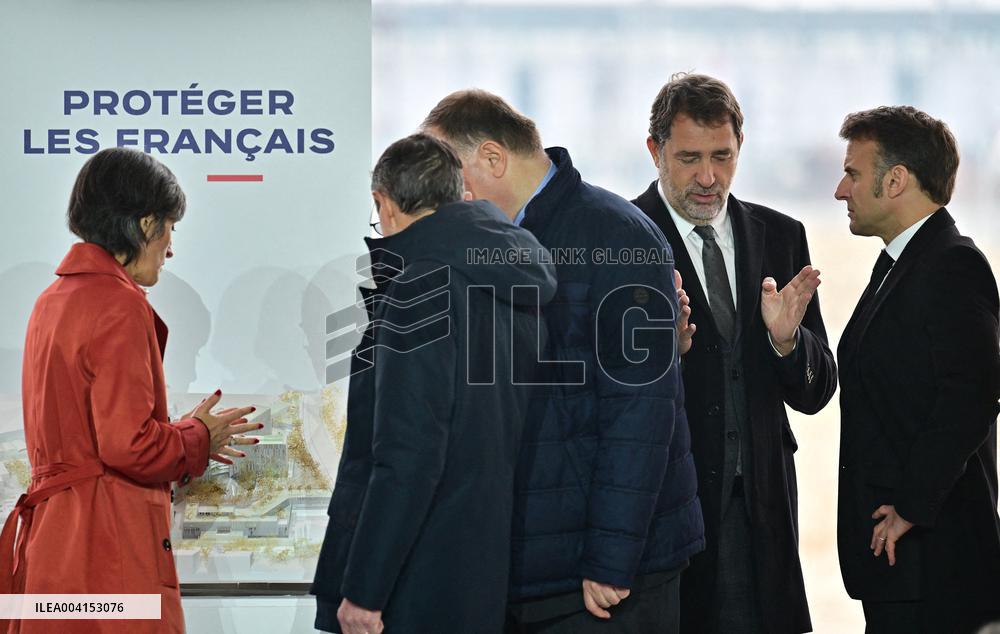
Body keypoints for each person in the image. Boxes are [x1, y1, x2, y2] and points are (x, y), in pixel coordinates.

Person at [423, 90, 704, 633]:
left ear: (492, 158)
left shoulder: (618, 237)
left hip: (602, 580)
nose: (446, 196)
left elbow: (641, 413)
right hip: (530, 563)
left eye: (450, 176)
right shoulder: (489, 243)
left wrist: (611, 558)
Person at [2, 147, 260, 633]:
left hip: (55, 546)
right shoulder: (119, 303)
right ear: (144, 224)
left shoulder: (51, 301)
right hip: (106, 550)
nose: (170, 247)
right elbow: (129, 445)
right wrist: (198, 436)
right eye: (169, 228)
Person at [310, 133, 557, 634]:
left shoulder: (420, 287)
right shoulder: (513, 280)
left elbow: (408, 454)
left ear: (385, 202)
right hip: (480, 567)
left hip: (412, 578)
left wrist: (364, 589)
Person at [631, 73, 837, 634]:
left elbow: (816, 392)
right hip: (662, 518)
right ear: (655, 152)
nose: (708, 176)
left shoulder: (782, 235)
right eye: (690, 157)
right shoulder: (622, 239)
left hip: (762, 517)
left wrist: (787, 342)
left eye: (722, 156)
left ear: (739, 147)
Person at [835, 106, 1000, 634]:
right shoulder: (900, 264)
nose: (841, 189)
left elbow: (974, 394)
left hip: (939, 567)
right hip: (900, 569)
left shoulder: (952, 264)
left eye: (854, 173)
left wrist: (911, 506)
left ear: (896, 180)